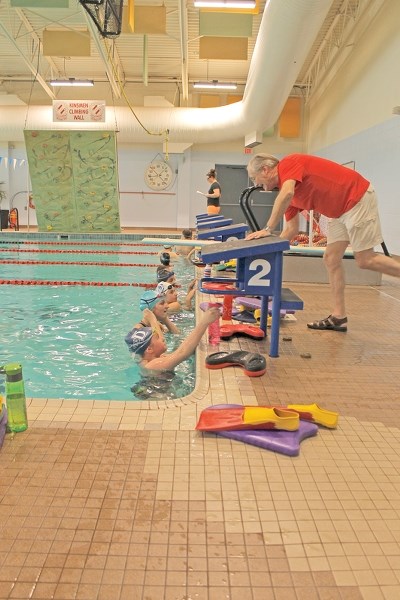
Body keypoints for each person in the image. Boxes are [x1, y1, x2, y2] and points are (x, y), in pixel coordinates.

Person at [246, 153, 400, 332]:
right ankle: (338, 317)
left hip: (356, 197)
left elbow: (287, 193)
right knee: (331, 259)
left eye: (254, 178)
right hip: (339, 212)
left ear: (265, 169)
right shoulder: (289, 195)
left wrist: (268, 228)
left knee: (365, 259)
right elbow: (291, 230)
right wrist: (268, 252)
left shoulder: (288, 163)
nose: (256, 184)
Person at [125, 306, 220, 371]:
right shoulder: (153, 365)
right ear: (149, 349)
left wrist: (151, 319)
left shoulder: (145, 355)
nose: (162, 338)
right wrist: (204, 322)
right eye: (158, 337)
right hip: (157, 397)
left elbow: (137, 337)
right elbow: (182, 353)